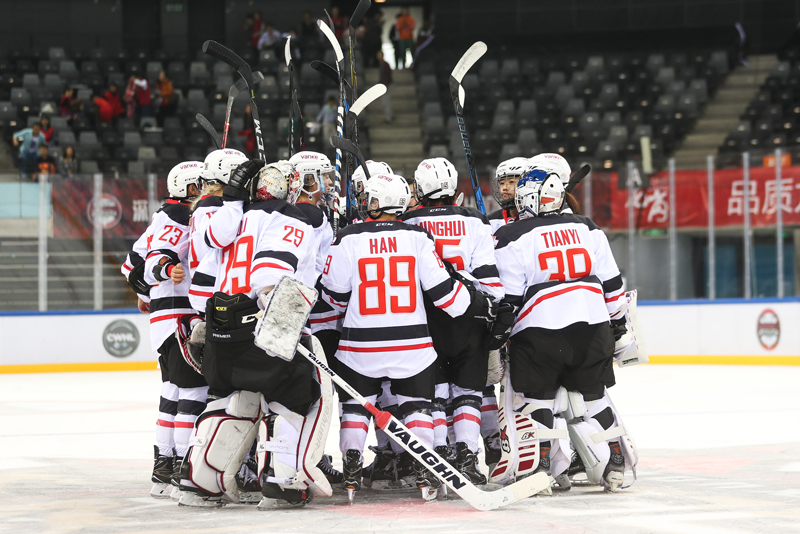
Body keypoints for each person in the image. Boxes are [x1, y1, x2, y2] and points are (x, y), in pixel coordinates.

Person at [319, 171, 499, 503]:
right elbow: (445, 294)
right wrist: (478, 303)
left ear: (376, 202)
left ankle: (352, 462)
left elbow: (334, 296)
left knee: (357, 407)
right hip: (413, 345)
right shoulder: (418, 237)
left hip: (360, 344)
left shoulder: (348, 237)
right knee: (419, 407)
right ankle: (425, 469)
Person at [179, 160, 333, 510]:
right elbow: (270, 274)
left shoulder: (235, 217)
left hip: (220, 329)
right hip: (262, 325)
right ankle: (282, 479)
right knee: (298, 395)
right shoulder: (292, 219)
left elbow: (201, 284)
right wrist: (278, 324)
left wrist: (215, 321)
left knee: (229, 399)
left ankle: (201, 480)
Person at [492, 172, 638, 493]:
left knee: (538, 402)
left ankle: (542, 469)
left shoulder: (511, 234)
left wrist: (497, 335)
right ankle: (615, 464)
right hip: (593, 327)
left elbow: (510, 297)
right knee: (594, 397)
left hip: (541, 329)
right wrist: (618, 326)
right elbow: (613, 286)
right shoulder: (587, 226)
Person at [398, 158, 506, 485]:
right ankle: (468, 455)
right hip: (469, 315)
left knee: (437, 390)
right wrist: (495, 311)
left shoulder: (407, 222)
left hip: (424, 316)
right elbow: (489, 277)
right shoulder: (475, 219)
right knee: (469, 390)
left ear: (419, 188)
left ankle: (440, 453)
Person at [120, 161, 207, 500]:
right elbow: (158, 260)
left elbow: (131, 264)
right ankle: (184, 469)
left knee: (171, 393)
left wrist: (144, 294)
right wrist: (166, 269)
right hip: (180, 318)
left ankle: (163, 466)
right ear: (189, 188)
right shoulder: (180, 218)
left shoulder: (160, 216)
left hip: (163, 318)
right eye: (201, 184)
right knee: (193, 392)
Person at [489, 157, 528, 233]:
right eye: (502, 183)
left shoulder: (538, 219)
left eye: (511, 182)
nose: (504, 188)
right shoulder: (491, 221)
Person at [377, 51, 392, 123]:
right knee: (384, 102)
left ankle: (389, 118)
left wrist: (387, 85)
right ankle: (388, 116)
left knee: (386, 102)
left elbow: (388, 75)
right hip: (383, 85)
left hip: (386, 85)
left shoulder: (386, 65)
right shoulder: (381, 65)